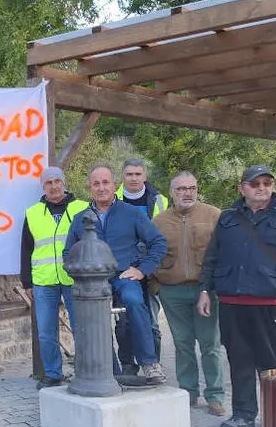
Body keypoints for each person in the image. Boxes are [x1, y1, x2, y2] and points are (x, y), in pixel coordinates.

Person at [199, 165, 276, 427]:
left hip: (269, 304)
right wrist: (205, 290)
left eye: (267, 182)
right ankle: (243, 414)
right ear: (243, 188)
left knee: (270, 362)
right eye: (255, 183)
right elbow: (212, 258)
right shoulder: (228, 218)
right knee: (239, 360)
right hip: (231, 302)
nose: (262, 187)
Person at [64, 164, 168, 384]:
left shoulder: (130, 214)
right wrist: (81, 276)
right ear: (89, 188)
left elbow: (158, 242)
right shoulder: (81, 219)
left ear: (114, 185)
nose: (101, 188)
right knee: (89, 314)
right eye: (96, 184)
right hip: (93, 280)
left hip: (123, 276)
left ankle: (149, 363)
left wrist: (142, 270)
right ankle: (105, 369)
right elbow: (68, 253)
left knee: (134, 301)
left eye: (106, 182)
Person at [152, 171, 225, 416]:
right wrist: (157, 287)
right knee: (182, 344)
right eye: (181, 189)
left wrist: (217, 287)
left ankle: (215, 396)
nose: (187, 193)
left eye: (191, 188)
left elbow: (226, 252)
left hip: (205, 291)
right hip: (172, 292)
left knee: (210, 344)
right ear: (172, 192)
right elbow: (149, 255)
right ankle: (189, 392)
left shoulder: (214, 215)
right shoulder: (159, 222)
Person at [20, 166, 87, 389]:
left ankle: (85, 371)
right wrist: (27, 282)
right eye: (49, 183)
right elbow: (26, 249)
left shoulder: (83, 208)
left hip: (75, 279)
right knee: (46, 332)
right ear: (43, 186)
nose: (54, 186)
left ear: (64, 183)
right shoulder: (33, 213)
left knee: (82, 328)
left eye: (57, 181)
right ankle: (52, 374)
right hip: (44, 280)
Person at [114, 158, 168, 376]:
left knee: (152, 322)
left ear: (145, 176)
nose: (134, 178)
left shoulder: (159, 201)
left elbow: (162, 237)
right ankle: (128, 365)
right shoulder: (112, 198)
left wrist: (150, 266)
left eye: (138, 174)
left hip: (151, 271)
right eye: (129, 174)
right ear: (123, 177)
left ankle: (152, 365)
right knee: (124, 321)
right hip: (124, 271)